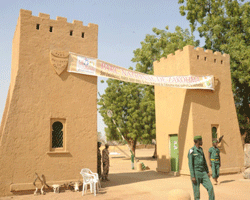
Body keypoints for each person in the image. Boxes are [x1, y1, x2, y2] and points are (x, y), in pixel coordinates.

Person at [188, 136, 215, 200]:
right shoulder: (191, 150)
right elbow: (190, 164)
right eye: (201, 140)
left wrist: (207, 171)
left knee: (210, 187)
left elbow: (204, 161)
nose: (202, 142)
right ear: (197, 141)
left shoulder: (201, 149)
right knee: (197, 193)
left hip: (203, 172)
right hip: (196, 173)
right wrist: (192, 176)